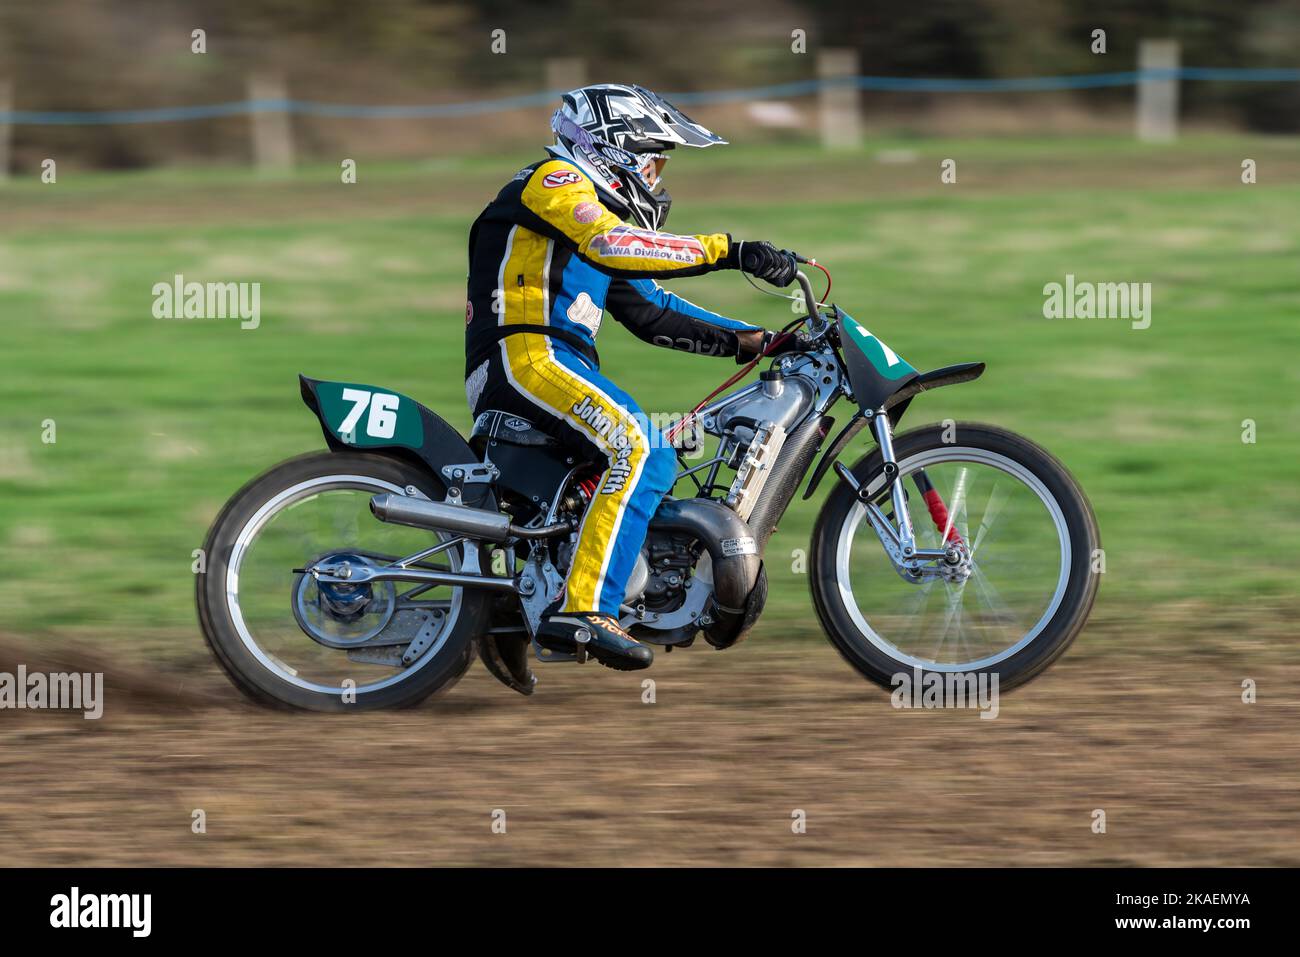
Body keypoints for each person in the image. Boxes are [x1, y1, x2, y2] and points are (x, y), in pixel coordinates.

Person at [464, 83, 799, 671]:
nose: (658, 176)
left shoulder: (589, 225)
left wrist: (756, 340)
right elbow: (614, 244)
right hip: (526, 358)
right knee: (639, 444)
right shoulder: (556, 184)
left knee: (651, 452)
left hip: (554, 363)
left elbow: (651, 310)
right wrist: (729, 250)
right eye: (654, 159)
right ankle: (586, 611)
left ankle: (555, 595)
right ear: (611, 149)